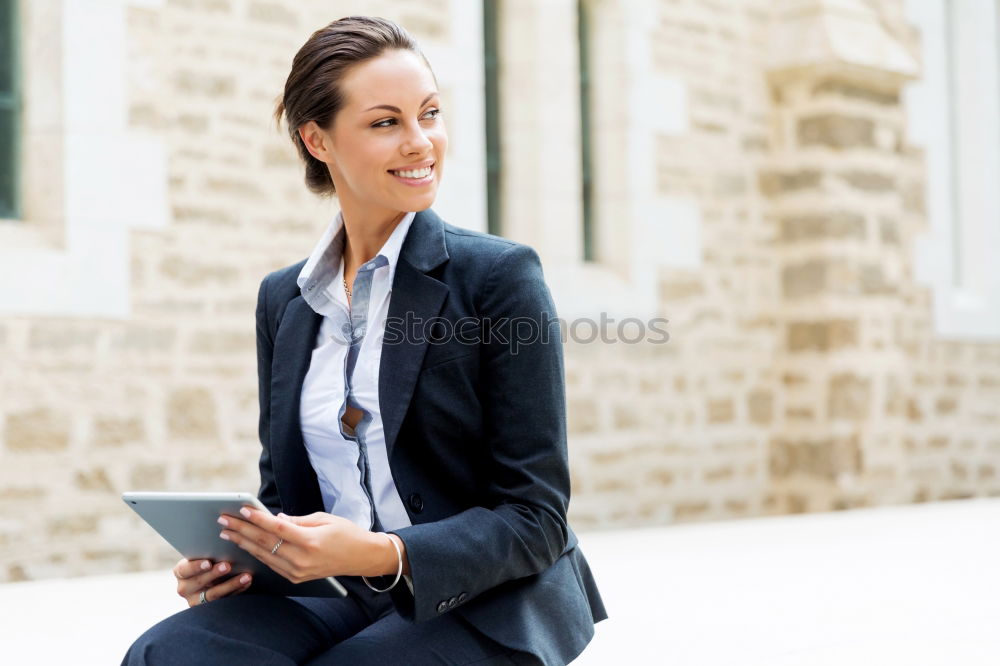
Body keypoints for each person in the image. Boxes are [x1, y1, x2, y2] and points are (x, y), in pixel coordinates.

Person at [122, 15, 606, 666]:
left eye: (429, 114)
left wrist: (383, 553)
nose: (421, 142)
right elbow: (284, 495)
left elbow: (536, 516)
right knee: (171, 653)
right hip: (333, 593)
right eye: (386, 123)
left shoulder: (499, 278)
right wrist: (246, 560)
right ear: (317, 139)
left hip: (485, 593)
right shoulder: (284, 299)